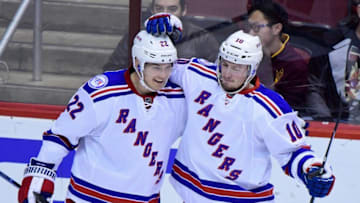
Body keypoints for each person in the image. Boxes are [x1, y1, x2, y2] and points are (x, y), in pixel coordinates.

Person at [145, 14, 335, 202]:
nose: (227, 74)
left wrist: (312, 170)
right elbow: (160, 67)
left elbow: (293, 151)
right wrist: (165, 35)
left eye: (236, 68)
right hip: (191, 195)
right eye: (224, 64)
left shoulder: (269, 106)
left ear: (251, 69)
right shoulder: (197, 75)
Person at [17, 30, 186, 203]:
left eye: (168, 67)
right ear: (137, 62)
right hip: (91, 198)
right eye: (156, 67)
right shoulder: (102, 93)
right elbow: (61, 136)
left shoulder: (178, 99)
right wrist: (37, 183)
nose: (163, 75)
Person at [103, 0, 219, 71]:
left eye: (172, 9)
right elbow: (112, 69)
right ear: (152, 10)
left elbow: (215, 75)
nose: (165, 14)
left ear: (184, 11)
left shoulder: (202, 38)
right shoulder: (138, 35)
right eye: (159, 8)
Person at [245, 1, 310, 114]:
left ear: (276, 28)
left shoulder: (295, 64)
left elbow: (287, 110)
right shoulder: (245, 51)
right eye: (249, 27)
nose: (251, 33)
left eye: (256, 27)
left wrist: (266, 62)